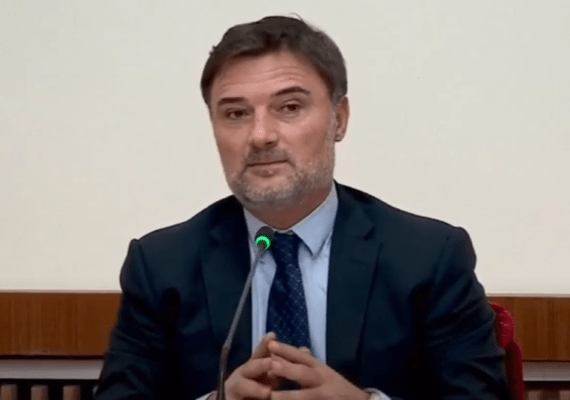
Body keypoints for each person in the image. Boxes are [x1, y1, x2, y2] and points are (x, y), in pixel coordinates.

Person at [96, 15, 508, 400]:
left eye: (289, 107)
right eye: (236, 113)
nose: (260, 135)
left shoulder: (428, 258)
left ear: (339, 119)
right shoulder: (161, 266)